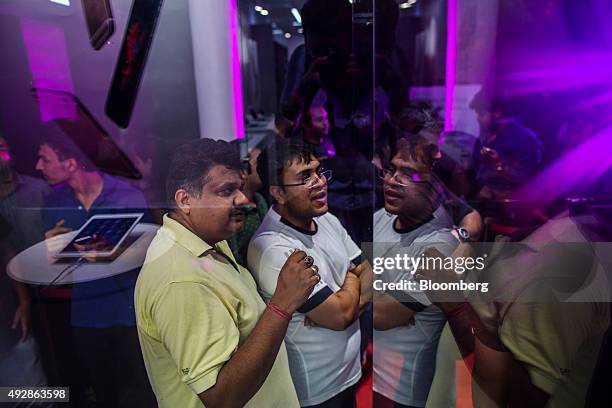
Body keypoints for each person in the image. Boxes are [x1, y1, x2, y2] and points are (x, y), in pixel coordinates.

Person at [135, 138, 317, 408]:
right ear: (185, 200)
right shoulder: (181, 280)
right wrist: (282, 305)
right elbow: (221, 398)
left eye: (240, 188)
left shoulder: (208, 238)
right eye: (226, 190)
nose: (243, 199)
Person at [248, 139, 372, 408]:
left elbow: (369, 273)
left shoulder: (325, 219)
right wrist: (351, 279)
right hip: (316, 392)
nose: (319, 182)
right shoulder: (273, 248)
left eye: (318, 171)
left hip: (348, 376)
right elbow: (340, 315)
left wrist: (346, 301)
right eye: (305, 177)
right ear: (278, 194)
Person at [36, 134, 154, 407]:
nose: (38, 166)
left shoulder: (127, 196)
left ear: (71, 163)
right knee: (104, 393)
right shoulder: (55, 202)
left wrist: (115, 253)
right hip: (86, 316)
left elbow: (151, 251)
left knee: (140, 393)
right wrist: (51, 252)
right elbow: (55, 270)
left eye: (45, 158)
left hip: (130, 314)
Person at [372, 134, 460, 408]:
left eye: (408, 173)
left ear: (435, 188)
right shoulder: (380, 218)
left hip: (405, 391)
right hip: (375, 376)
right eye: (392, 169)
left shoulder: (439, 245)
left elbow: (382, 315)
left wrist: (346, 299)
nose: (392, 180)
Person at [469, 89, 543, 200]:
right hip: (486, 200)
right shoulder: (484, 136)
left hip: (513, 205)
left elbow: (528, 179)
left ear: (497, 113)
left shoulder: (524, 138)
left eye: (482, 114)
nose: (478, 119)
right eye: (477, 114)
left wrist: (498, 165)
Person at [227, 146, 268, 267]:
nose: (264, 168)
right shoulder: (234, 209)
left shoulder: (260, 200)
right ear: (243, 171)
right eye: (259, 163)